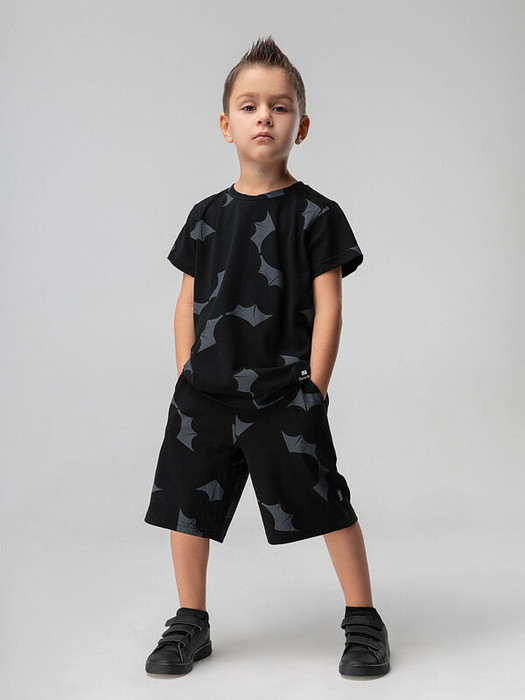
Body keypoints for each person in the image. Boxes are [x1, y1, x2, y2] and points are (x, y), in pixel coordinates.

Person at [143, 35, 390, 678]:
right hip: (205, 391)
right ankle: (189, 620)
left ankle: (364, 619)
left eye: (280, 107)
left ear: (300, 126)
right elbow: (186, 302)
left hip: (284, 392)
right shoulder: (205, 216)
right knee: (186, 504)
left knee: (324, 496)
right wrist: (185, 373)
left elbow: (330, 307)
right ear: (226, 124)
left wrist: (316, 389)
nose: (264, 118)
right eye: (249, 106)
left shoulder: (316, 215)